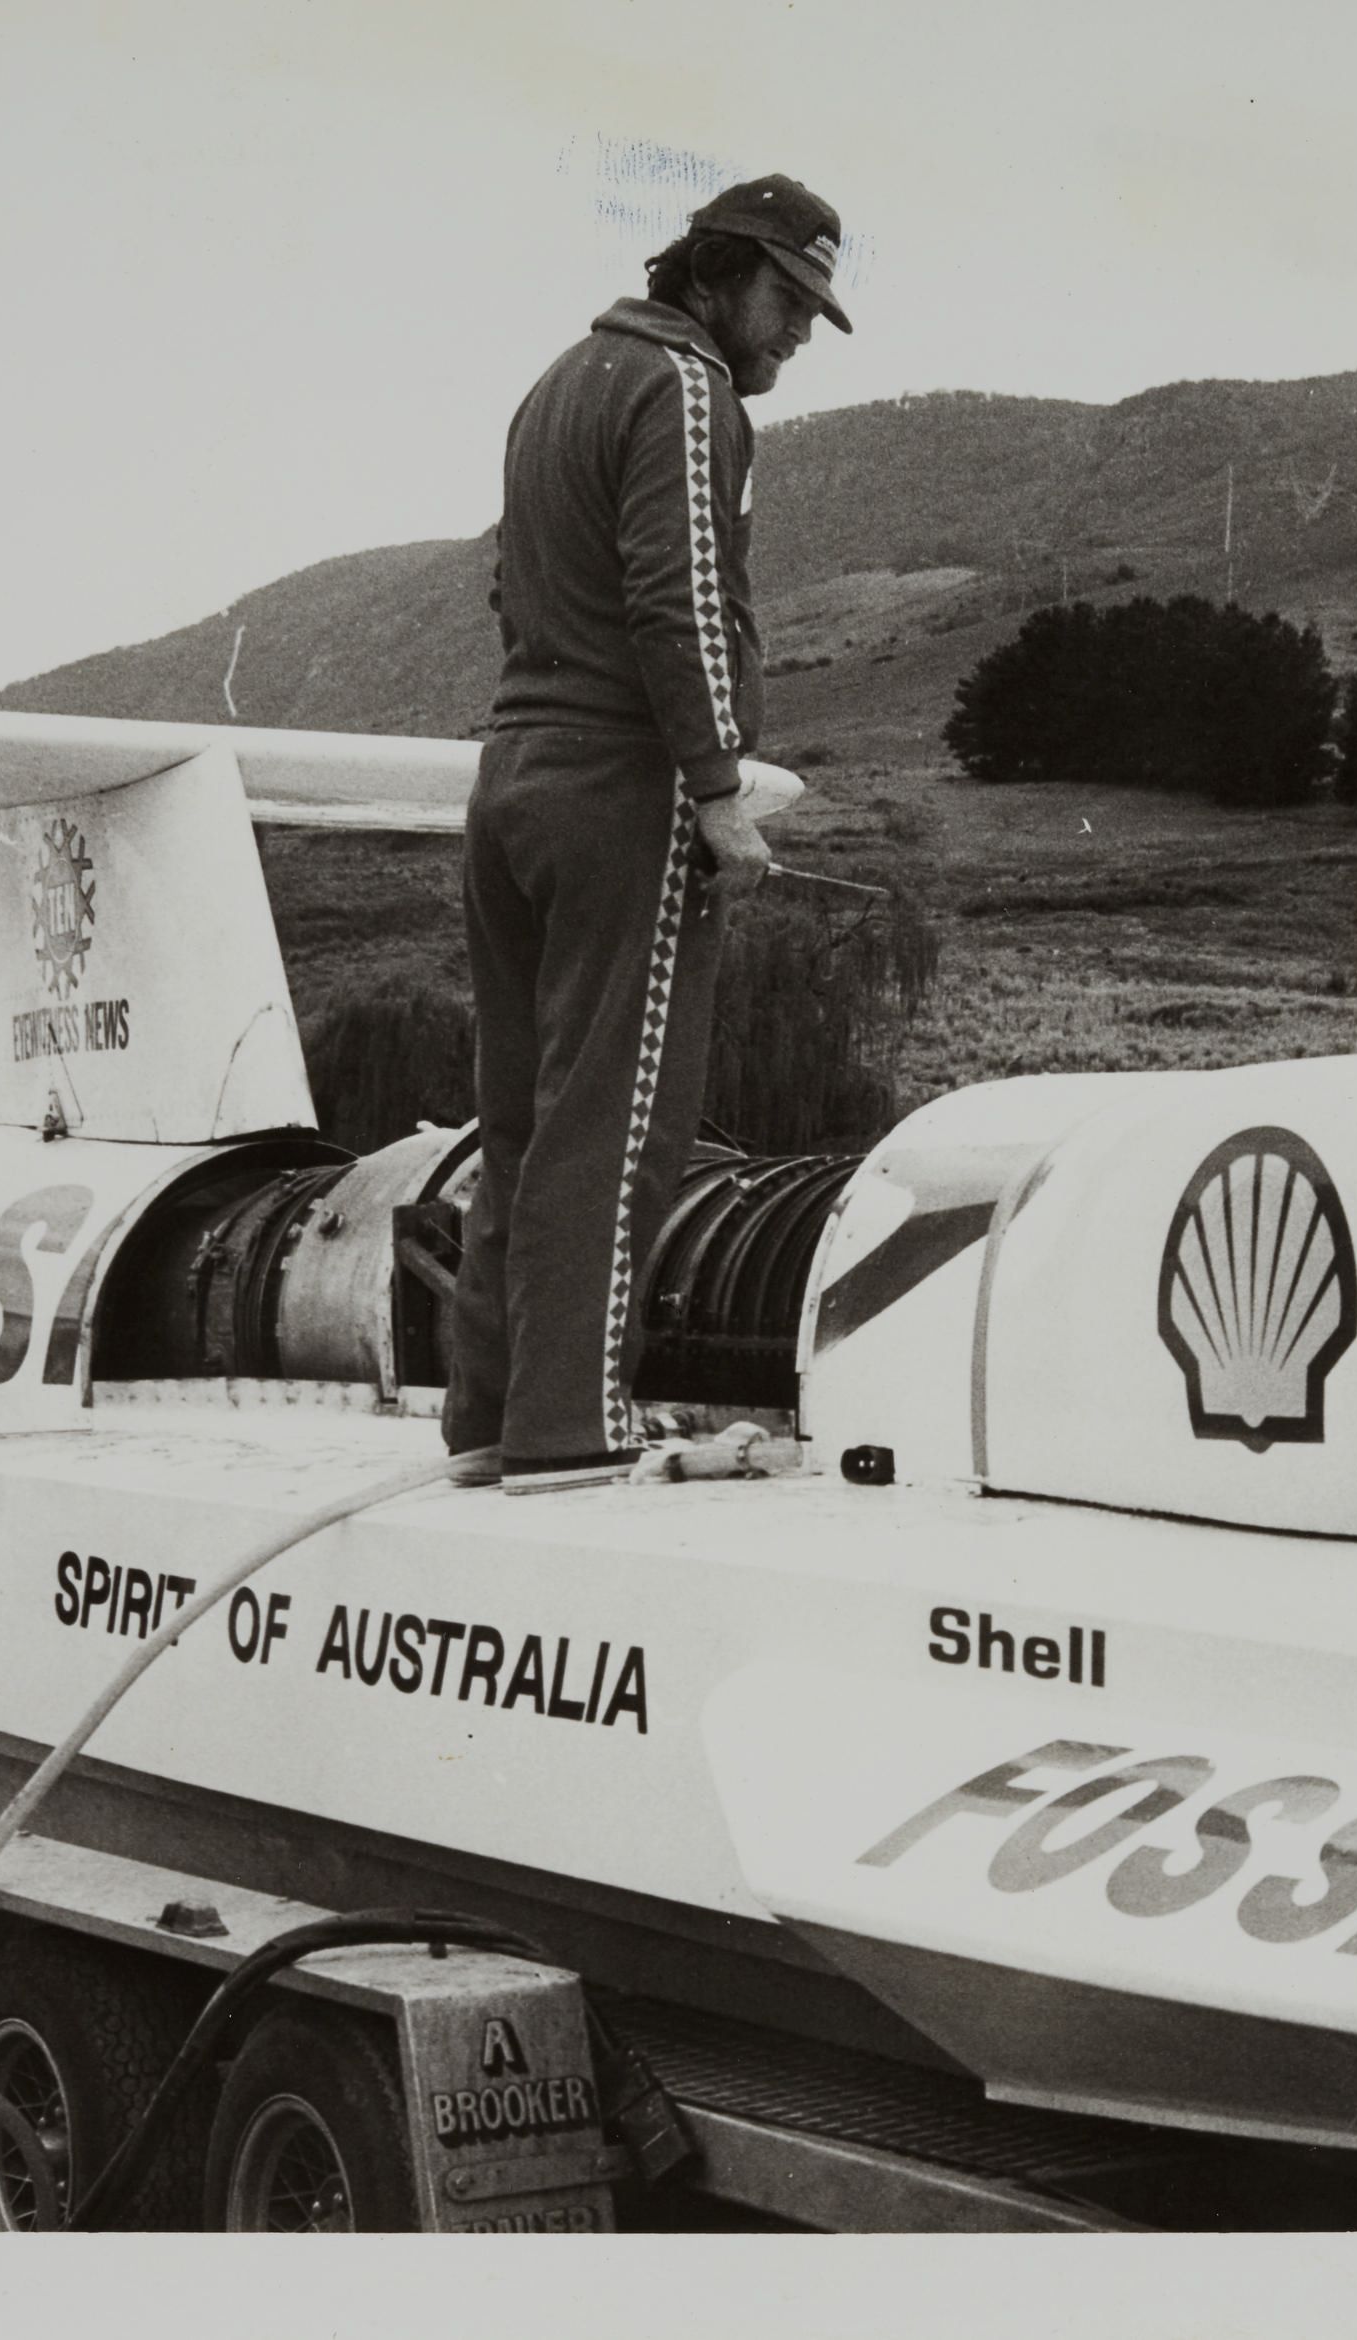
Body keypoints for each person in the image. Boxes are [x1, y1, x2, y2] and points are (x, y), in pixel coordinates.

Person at [443, 173, 852, 1494]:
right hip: (622, 793)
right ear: (721, 273)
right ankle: (572, 1433)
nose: (794, 335)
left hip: (513, 778)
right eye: (787, 301)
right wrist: (718, 785)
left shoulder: (558, 381)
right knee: (617, 1123)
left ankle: (493, 1418)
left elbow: (517, 585)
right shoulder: (687, 393)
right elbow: (676, 592)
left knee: (523, 1118)